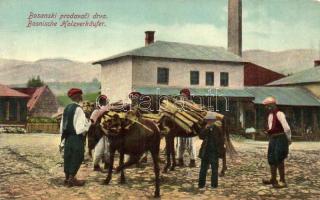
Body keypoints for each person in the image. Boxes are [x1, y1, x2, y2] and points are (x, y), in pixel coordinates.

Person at [60, 88, 101, 187]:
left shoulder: (66, 108)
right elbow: (81, 129)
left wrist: (62, 140)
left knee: (68, 156)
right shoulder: (78, 109)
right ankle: (71, 179)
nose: (82, 97)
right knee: (78, 156)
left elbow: (62, 126)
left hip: (67, 137)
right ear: (79, 96)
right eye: (81, 95)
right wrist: (91, 121)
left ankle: (67, 178)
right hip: (76, 138)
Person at [262, 96, 292, 188]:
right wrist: (267, 132)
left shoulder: (279, 114)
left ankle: (282, 181)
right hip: (273, 139)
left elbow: (286, 128)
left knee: (279, 158)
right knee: (271, 159)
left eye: (268, 106)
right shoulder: (270, 116)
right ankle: (273, 179)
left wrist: (288, 139)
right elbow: (271, 128)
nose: (267, 108)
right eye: (266, 106)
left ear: (273, 105)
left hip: (281, 138)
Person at [198, 112, 222, 189]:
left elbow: (221, 140)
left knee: (214, 169)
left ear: (214, 120)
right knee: (203, 169)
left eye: (211, 120)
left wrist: (220, 151)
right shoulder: (204, 128)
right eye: (208, 120)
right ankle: (201, 185)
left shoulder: (217, 128)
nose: (210, 122)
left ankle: (214, 185)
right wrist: (206, 129)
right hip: (205, 151)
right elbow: (201, 136)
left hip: (214, 151)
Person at [176, 88, 196, 167]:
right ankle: (180, 160)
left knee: (190, 144)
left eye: (184, 95)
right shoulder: (178, 104)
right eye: (181, 95)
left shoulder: (191, 104)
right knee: (180, 144)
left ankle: (192, 161)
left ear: (187, 96)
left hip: (189, 127)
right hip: (180, 127)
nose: (182, 97)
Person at [92, 95, 110, 171]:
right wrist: (100, 127)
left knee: (107, 150)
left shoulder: (107, 111)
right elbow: (92, 122)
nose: (104, 103)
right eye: (103, 102)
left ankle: (107, 164)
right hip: (98, 133)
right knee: (99, 149)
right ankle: (96, 166)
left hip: (106, 133)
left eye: (105, 102)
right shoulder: (96, 111)